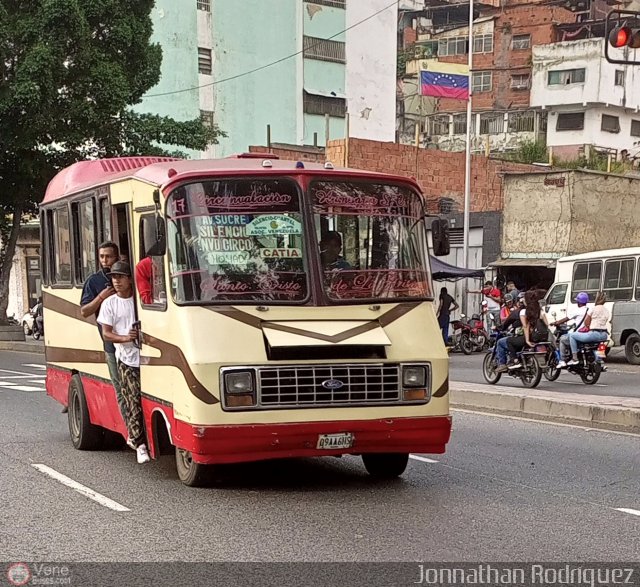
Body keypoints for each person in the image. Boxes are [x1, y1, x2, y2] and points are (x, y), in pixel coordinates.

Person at [97, 261, 150, 464]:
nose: (116, 281)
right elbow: (107, 334)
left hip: (148, 358)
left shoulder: (140, 300)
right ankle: (139, 444)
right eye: (113, 277)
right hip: (127, 360)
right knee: (132, 400)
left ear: (130, 278)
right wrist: (126, 338)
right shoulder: (109, 304)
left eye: (120, 276)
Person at [75, 241, 121, 415]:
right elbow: (84, 311)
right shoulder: (94, 281)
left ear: (116, 256)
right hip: (110, 342)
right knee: (118, 385)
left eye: (108, 256)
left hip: (131, 341)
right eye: (102, 256)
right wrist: (101, 297)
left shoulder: (125, 276)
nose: (105, 260)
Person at [506, 290, 549, 370]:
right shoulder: (540, 311)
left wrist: (527, 340)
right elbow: (547, 324)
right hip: (542, 337)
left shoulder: (524, 312)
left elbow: (526, 327)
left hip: (531, 337)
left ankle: (515, 361)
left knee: (509, 341)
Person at [566, 291, 610, 366]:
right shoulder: (606, 310)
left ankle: (574, 358)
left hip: (594, 334)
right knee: (601, 343)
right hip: (604, 334)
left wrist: (588, 326)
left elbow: (586, 322)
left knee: (572, 336)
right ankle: (600, 358)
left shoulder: (593, 309)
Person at [551, 291, 589, 367]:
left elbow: (566, 319)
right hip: (587, 334)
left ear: (579, 302)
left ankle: (562, 360)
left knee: (562, 339)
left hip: (578, 334)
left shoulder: (577, 310)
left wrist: (556, 323)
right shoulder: (588, 310)